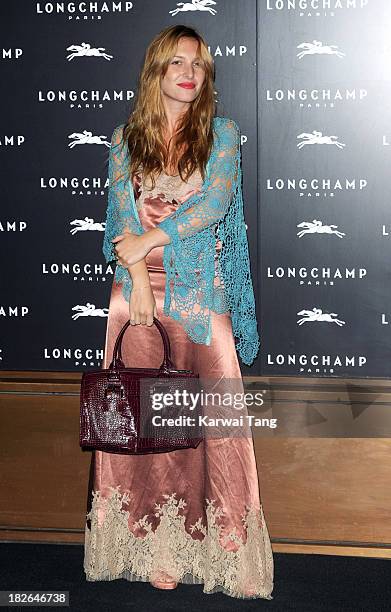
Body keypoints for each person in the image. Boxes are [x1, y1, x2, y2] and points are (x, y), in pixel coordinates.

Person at [83, 24, 274, 600]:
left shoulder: (221, 134)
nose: (190, 72)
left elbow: (214, 203)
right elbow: (121, 218)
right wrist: (138, 274)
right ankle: (152, 546)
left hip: (199, 295)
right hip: (136, 296)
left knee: (217, 427)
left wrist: (149, 239)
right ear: (157, 72)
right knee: (142, 426)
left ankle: (227, 553)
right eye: (177, 63)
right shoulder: (124, 139)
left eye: (198, 64)